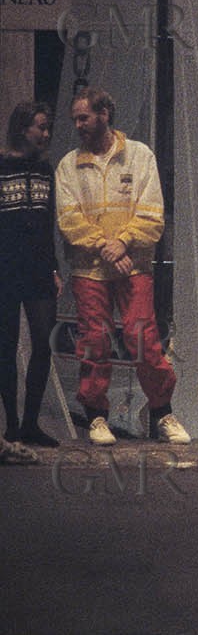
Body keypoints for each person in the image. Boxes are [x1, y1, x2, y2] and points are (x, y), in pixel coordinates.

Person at [55, 88, 189, 446]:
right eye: (75, 119)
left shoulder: (139, 155)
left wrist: (124, 242)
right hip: (90, 270)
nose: (78, 125)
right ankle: (97, 416)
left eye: (83, 117)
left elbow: (152, 215)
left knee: (141, 337)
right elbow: (69, 222)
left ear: (104, 114)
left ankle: (162, 412)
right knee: (93, 341)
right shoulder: (69, 165)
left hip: (134, 265)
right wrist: (107, 246)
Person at [2, 101, 60, 446]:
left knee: (43, 342)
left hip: (38, 266)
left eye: (47, 127)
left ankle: (31, 422)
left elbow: (47, 221)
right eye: (40, 126)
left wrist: (53, 267)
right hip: (6, 266)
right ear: (23, 128)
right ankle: (11, 422)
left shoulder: (44, 169)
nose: (45, 133)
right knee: (5, 346)